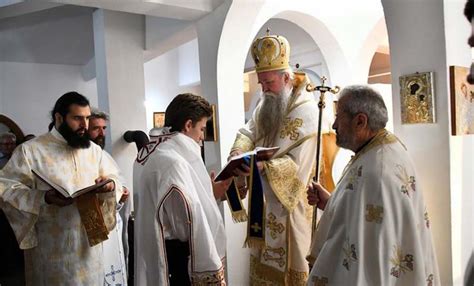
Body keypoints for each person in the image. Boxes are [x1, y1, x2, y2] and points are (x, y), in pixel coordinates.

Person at [306, 85, 440, 285]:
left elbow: (372, 256)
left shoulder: (377, 171)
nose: (334, 125)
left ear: (360, 121)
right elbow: (363, 212)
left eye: (338, 116)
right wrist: (331, 203)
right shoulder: (381, 147)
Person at [229, 32, 329, 285]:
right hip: (262, 203)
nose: (263, 89)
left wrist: (263, 167)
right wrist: (237, 153)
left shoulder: (307, 113)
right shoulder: (267, 103)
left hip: (290, 209)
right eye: (261, 82)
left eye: (268, 82)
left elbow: (299, 168)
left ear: (286, 77)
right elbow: (248, 131)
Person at [0, 91, 123, 285]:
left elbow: (116, 178)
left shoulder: (93, 151)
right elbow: (5, 188)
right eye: (77, 118)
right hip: (50, 251)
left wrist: (109, 186)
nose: (85, 125)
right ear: (58, 118)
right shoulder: (31, 150)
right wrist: (44, 198)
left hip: (89, 249)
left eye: (87, 118)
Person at [134, 93, 231, 286]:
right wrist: (212, 197)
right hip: (175, 259)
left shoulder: (150, 153)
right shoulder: (173, 162)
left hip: (153, 247)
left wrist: (208, 194)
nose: (203, 137)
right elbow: (184, 225)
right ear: (188, 125)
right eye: (202, 129)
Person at [88, 109, 129, 286]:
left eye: (104, 128)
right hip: (91, 226)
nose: (102, 133)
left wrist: (120, 194)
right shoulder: (80, 158)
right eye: (96, 128)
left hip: (111, 226)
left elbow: (119, 183)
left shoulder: (105, 156)